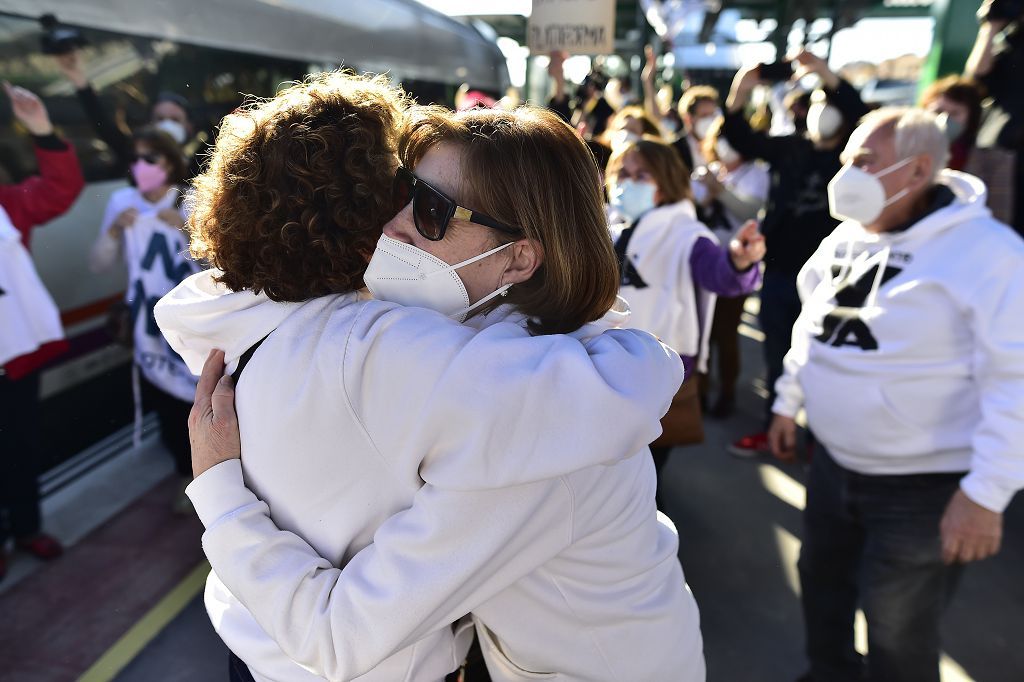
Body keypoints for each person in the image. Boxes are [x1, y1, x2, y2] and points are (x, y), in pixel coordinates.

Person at [155, 73, 704, 682]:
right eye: (401, 193)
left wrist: (218, 488)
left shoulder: (542, 427)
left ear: (521, 256)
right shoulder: (480, 354)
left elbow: (339, 636)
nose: (391, 227)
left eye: (433, 210)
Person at [768, 107, 1024, 682]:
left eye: (864, 162)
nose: (846, 175)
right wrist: (788, 400)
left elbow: (1017, 379)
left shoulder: (990, 254)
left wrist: (987, 493)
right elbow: (813, 324)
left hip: (922, 488)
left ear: (918, 171)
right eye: (846, 161)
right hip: (834, 467)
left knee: (896, 628)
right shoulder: (846, 239)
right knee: (822, 586)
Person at [723, 49, 869, 457]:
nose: (821, 113)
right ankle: (776, 429)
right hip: (782, 270)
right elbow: (741, 137)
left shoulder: (856, 157)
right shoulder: (792, 148)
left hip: (836, 280)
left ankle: (817, 442)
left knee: (828, 360)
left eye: (827, 103)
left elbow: (858, 110)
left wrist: (824, 73)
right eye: (816, 104)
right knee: (777, 356)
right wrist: (741, 91)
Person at [605, 137, 764, 490]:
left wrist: (739, 262)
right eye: (623, 174)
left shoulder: (687, 233)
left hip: (661, 364)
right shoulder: (610, 224)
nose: (629, 183)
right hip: (608, 358)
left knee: (646, 473)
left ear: (667, 181)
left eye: (642, 175)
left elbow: (720, 275)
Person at [89, 127, 197, 512]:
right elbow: (99, 263)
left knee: (201, 399)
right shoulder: (122, 202)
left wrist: (186, 229)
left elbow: (221, 260)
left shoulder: (191, 201)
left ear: (169, 162)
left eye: (150, 158)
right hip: (149, 328)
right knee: (166, 404)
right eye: (135, 159)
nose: (141, 167)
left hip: (192, 325)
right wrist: (116, 230)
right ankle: (186, 475)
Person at [0, 83, 83, 580]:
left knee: (20, 444)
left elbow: (58, 190)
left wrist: (41, 130)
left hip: (13, 355)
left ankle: (27, 527)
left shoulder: (7, 204)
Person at [692, 118, 770, 417]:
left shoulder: (756, 174)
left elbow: (751, 210)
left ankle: (726, 393)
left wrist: (719, 191)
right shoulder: (713, 170)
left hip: (736, 266)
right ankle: (700, 391)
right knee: (702, 332)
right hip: (704, 262)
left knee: (725, 333)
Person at [54, 49, 201, 177]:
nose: (167, 124)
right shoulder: (132, 154)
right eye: (160, 118)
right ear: (150, 124)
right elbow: (103, 125)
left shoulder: (201, 169)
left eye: (175, 120)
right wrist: (79, 80)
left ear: (189, 127)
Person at [965, 0, 1024, 237]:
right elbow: (976, 77)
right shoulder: (1010, 44)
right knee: (998, 232)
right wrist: (990, 26)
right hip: (1004, 156)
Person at [671, 84, 720, 173]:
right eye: (704, 116)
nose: (710, 121)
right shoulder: (674, 150)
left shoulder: (721, 144)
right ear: (688, 119)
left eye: (712, 115)